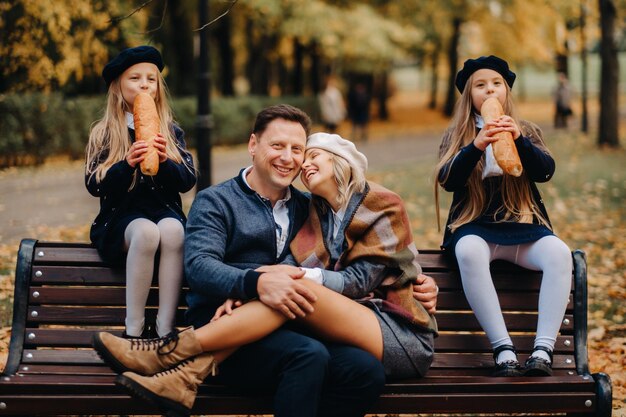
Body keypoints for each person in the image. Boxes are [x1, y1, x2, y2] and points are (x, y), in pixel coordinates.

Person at [92, 105, 438, 417]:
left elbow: (349, 267)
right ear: (253, 145)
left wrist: (416, 283)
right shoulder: (216, 201)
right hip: (221, 322)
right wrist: (254, 283)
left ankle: (176, 365)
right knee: (307, 355)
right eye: (277, 146)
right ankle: (172, 356)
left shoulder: (310, 206)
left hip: (293, 319)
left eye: (297, 149)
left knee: (364, 371)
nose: (288, 158)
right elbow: (198, 267)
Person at [434, 55, 572, 377]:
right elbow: (448, 180)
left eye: (497, 84)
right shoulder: (457, 135)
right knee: (468, 250)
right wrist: (476, 146)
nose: (490, 91)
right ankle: (503, 348)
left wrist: (520, 140)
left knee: (560, 253)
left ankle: (543, 349)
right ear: (469, 95)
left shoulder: (527, 130)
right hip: (476, 226)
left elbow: (545, 172)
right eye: (480, 85)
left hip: (522, 226)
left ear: (507, 92)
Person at [85, 45, 196, 339]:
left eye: (151, 78)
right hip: (121, 219)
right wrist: (126, 164)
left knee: (175, 231)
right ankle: (133, 329)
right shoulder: (105, 131)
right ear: (117, 87)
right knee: (147, 233)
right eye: (135, 78)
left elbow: (187, 180)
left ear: (159, 87)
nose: (144, 83)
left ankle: (165, 327)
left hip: (164, 212)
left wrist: (166, 161)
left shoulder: (170, 131)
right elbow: (94, 184)